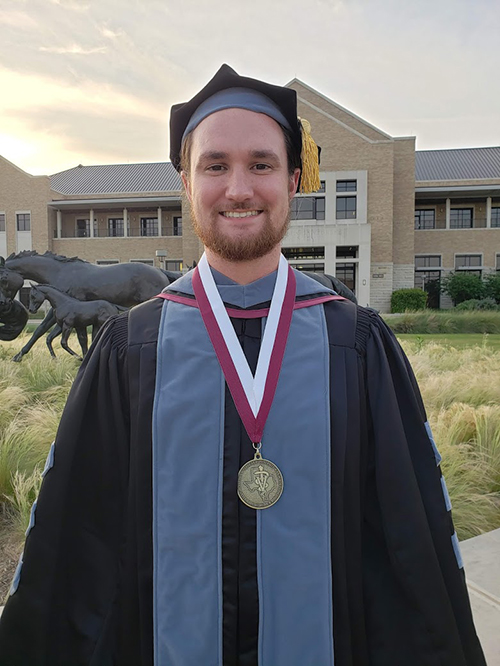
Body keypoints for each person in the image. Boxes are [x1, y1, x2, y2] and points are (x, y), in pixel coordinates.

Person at [0, 64, 485, 666]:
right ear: (186, 181)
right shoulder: (131, 350)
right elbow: (75, 554)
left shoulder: (355, 345)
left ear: (294, 179)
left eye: (261, 164)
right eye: (215, 165)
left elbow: (409, 553)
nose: (238, 189)